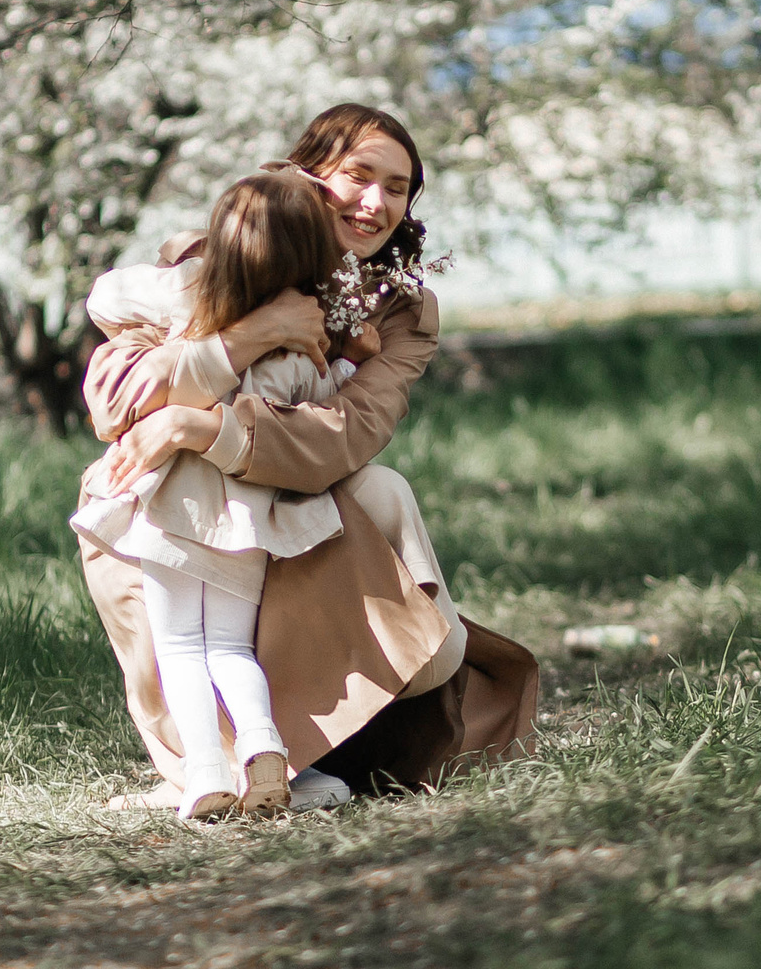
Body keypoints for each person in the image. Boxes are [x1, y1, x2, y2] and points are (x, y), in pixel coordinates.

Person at [77, 104, 538, 811]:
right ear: (309, 174)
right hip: (182, 514)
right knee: (127, 521)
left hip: (296, 526)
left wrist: (192, 426)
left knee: (377, 489)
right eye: (358, 176)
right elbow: (113, 405)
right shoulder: (214, 256)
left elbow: (339, 435)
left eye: (397, 187)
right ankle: (222, 761)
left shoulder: (400, 313)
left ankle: (290, 745)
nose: (374, 202)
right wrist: (248, 335)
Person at [71, 169, 367, 821]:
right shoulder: (301, 345)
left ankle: (207, 773)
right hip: (246, 521)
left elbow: (104, 297)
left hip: (175, 507)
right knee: (231, 647)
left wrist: (181, 267)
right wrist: (349, 358)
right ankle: (261, 743)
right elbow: (326, 391)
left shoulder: (188, 310)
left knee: (180, 645)